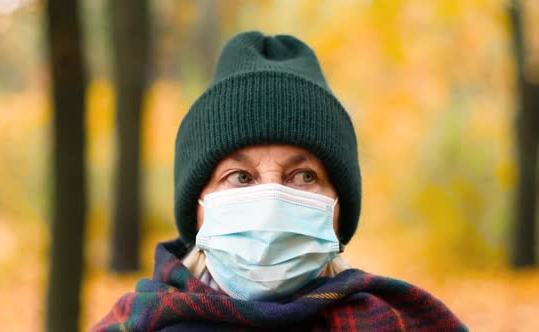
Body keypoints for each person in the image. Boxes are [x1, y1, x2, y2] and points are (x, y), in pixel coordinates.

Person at [92, 31, 467, 331]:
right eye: (240, 177)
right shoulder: (138, 324)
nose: (271, 202)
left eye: (304, 176)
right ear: (197, 208)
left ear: (339, 209)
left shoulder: (398, 324)